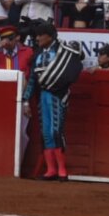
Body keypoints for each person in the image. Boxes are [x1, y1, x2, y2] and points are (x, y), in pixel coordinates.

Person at [23, 23, 83, 181]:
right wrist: (26, 101)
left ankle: (62, 170)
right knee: (46, 133)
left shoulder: (63, 52)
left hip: (58, 95)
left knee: (56, 132)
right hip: (43, 96)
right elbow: (32, 80)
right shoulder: (37, 54)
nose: (37, 38)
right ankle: (51, 170)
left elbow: (73, 71)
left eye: (40, 35)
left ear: (49, 36)